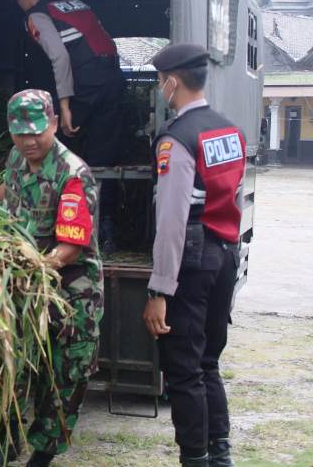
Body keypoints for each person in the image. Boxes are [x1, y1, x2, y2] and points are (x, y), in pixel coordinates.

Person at [142, 44, 245, 467]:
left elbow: (171, 220)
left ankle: (195, 459)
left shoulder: (177, 139)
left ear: (172, 82)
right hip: (225, 254)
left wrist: (159, 289)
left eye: (160, 81)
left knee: (183, 368)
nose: (160, 88)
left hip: (194, 257)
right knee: (207, 362)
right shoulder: (229, 130)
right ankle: (220, 454)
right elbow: (233, 197)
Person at [0, 89, 103, 467]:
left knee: (64, 375)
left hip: (70, 291)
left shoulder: (73, 173)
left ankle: (43, 454)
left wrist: (30, 270)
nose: (29, 141)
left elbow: (69, 247)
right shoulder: (15, 161)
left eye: (37, 131)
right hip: (26, 286)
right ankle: (3, 446)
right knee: (17, 368)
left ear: (54, 123)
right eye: (21, 133)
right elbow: (8, 200)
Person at [16, 0, 125, 253]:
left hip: (86, 85)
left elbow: (60, 58)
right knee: (104, 157)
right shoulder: (76, 4)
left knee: (62, 147)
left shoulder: (36, 15)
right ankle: (106, 230)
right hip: (113, 80)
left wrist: (64, 106)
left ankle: (57, 227)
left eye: (20, 2)